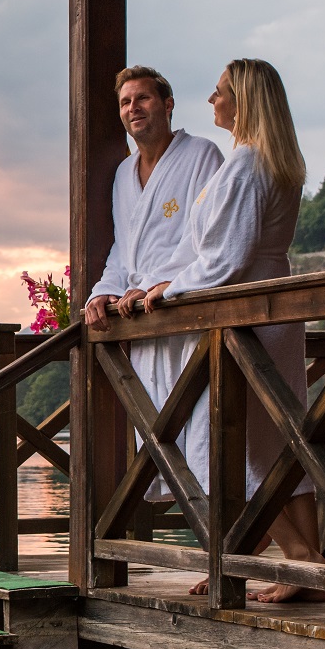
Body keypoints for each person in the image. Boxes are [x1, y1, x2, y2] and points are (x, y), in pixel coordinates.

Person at [140, 58, 323, 603]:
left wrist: (168, 291)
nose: (212, 101)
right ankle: (301, 572)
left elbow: (225, 259)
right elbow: (227, 254)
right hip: (270, 308)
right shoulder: (274, 161)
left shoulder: (246, 166)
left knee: (223, 444)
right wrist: (175, 276)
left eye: (219, 92)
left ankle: (292, 560)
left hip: (244, 317)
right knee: (277, 443)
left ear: (243, 101)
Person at [81, 66, 223, 506]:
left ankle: (226, 556)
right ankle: (211, 556)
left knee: (204, 437)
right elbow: (126, 248)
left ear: (167, 103)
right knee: (163, 442)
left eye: (142, 98)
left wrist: (163, 284)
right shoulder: (124, 175)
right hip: (142, 323)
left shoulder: (203, 155)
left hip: (185, 315)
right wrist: (103, 290)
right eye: (125, 102)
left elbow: (206, 235)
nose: (133, 108)